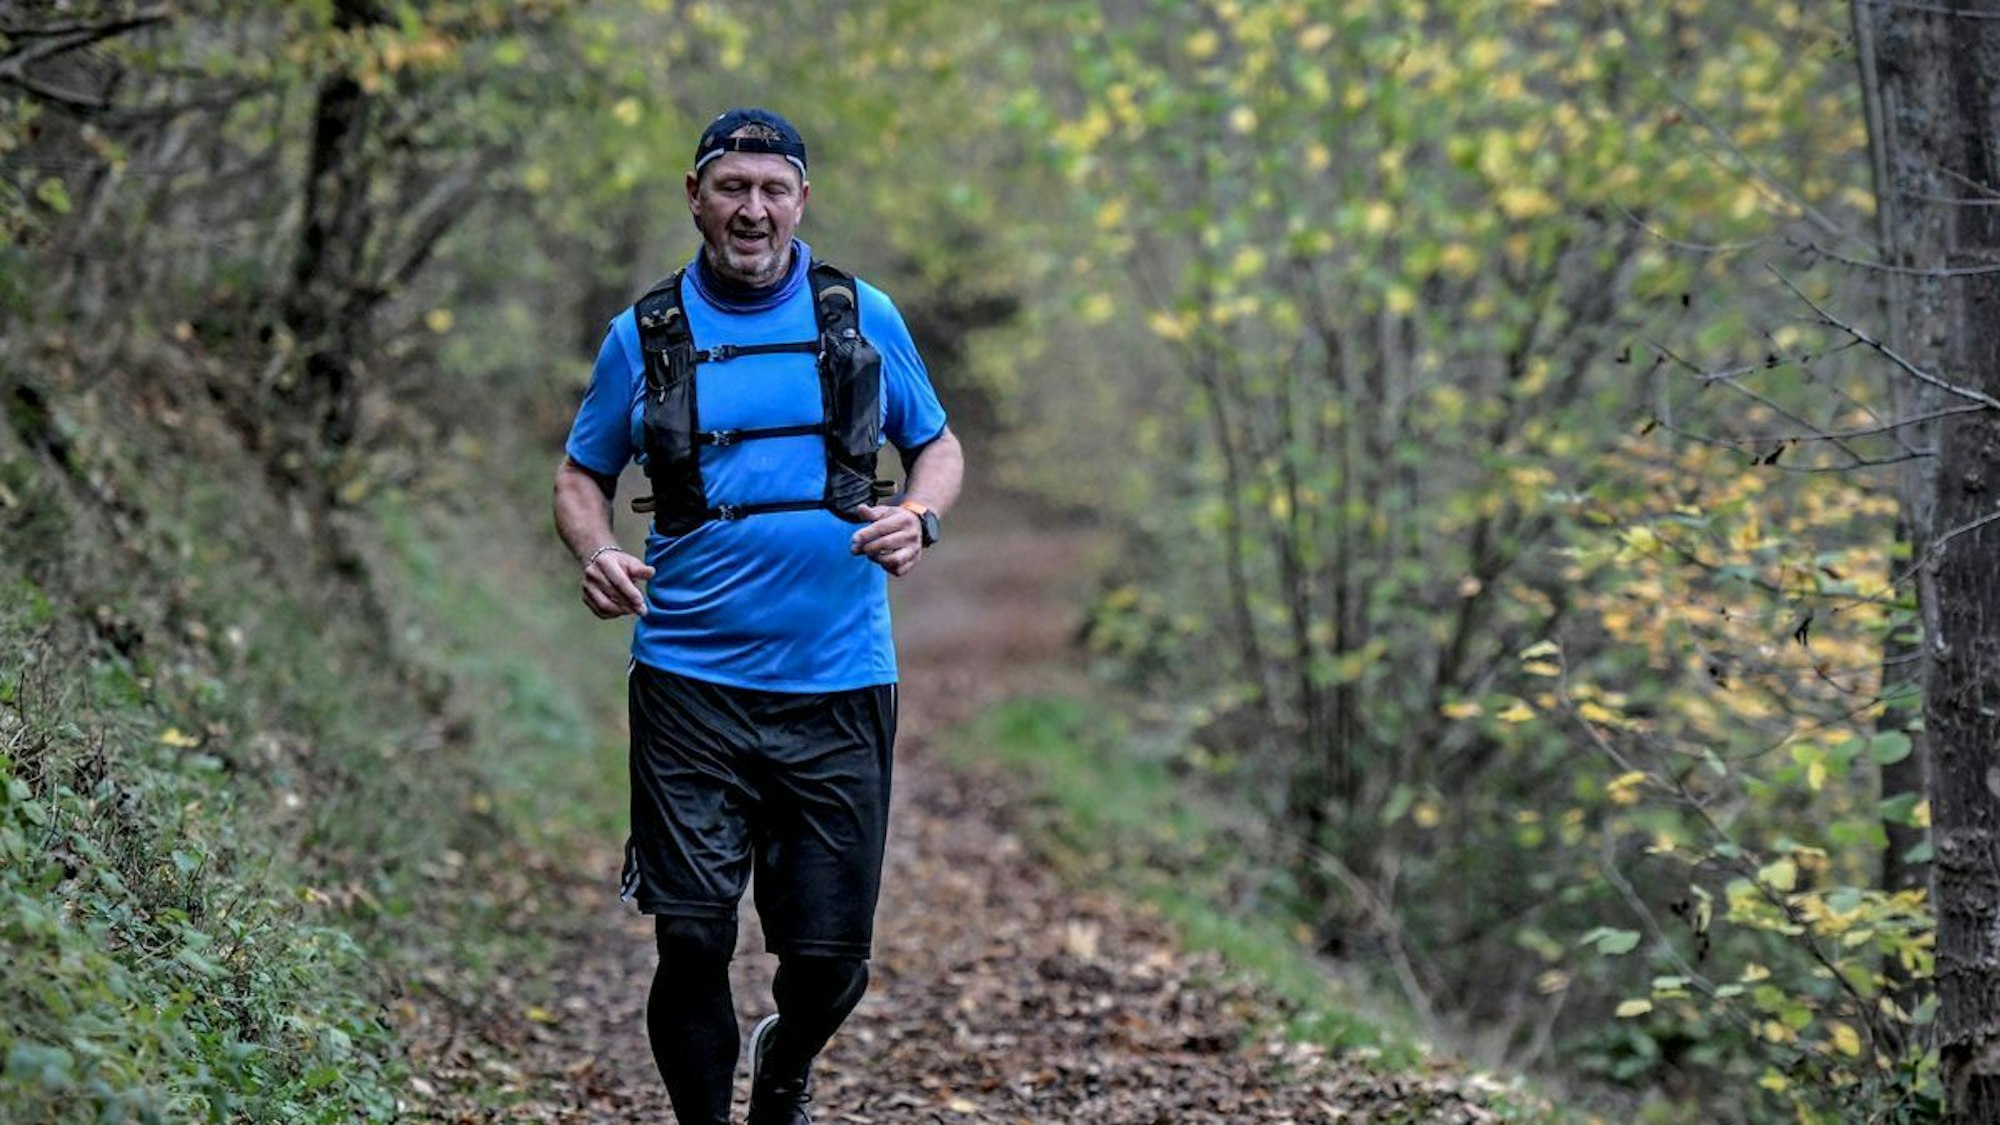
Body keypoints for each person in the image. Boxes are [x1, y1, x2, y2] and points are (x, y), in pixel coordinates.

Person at [551, 107, 963, 1125]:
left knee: (827, 966)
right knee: (690, 934)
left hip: (838, 679)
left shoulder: (860, 315)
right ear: (694, 195)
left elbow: (938, 450)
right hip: (689, 680)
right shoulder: (642, 334)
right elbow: (578, 473)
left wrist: (918, 518)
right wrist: (598, 548)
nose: (752, 208)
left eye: (772, 188)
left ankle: (785, 1060)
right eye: (731, 186)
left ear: (801, 202)